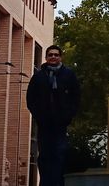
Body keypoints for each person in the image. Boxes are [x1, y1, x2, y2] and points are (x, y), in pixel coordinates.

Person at [26, 44, 79, 186]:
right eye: (50, 55)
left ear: (60, 57)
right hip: (44, 124)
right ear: (46, 57)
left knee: (60, 154)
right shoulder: (38, 77)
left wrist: (68, 116)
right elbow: (30, 99)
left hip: (61, 124)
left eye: (56, 55)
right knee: (44, 156)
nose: (53, 57)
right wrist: (39, 115)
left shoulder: (68, 75)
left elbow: (76, 97)